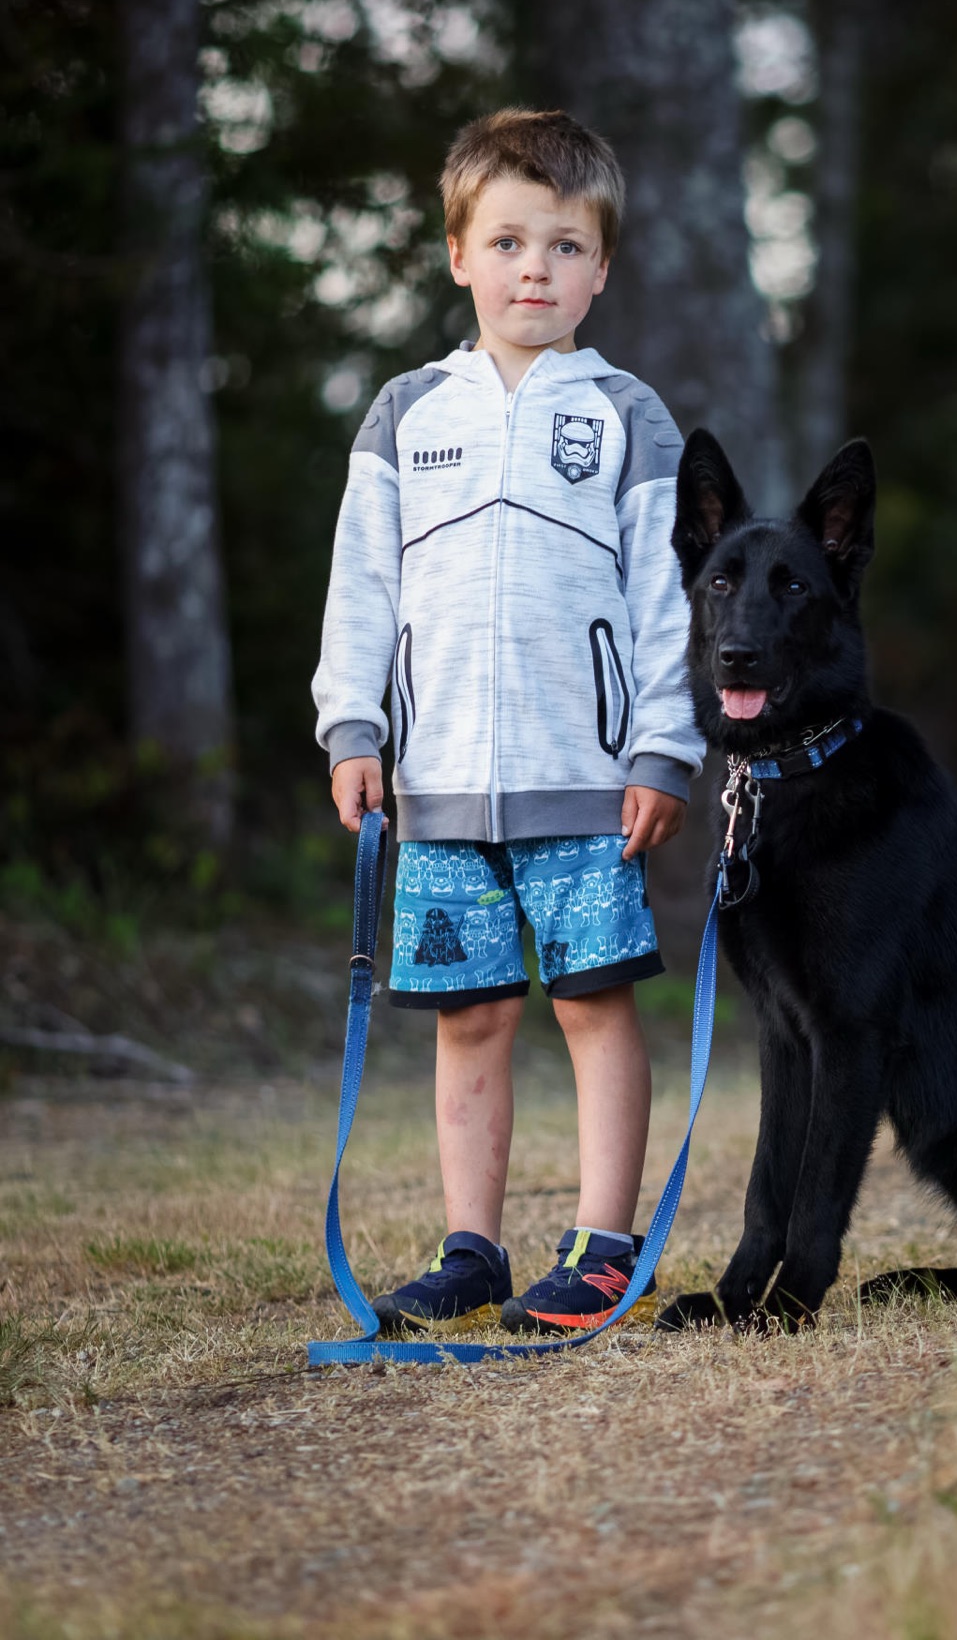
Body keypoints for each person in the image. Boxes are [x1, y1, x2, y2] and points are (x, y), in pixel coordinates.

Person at [312, 108, 702, 1336]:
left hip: (582, 780)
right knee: (470, 1015)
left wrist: (663, 748)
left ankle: (602, 1248)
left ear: (602, 268)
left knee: (592, 1003)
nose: (535, 269)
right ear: (457, 255)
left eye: (565, 246)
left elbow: (665, 602)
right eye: (508, 242)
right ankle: (471, 1250)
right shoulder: (407, 412)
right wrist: (353, 728)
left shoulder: (629, 415)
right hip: (436, 788)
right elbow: (361, 585)